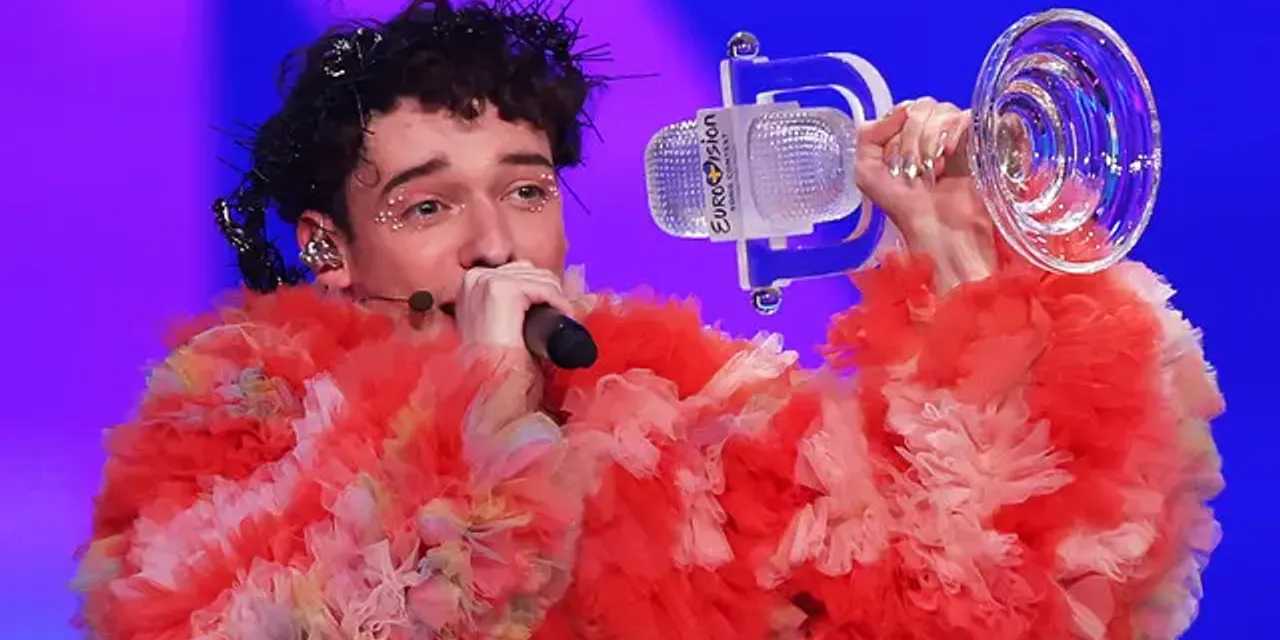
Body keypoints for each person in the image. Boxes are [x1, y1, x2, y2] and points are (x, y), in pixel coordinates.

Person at [74, 1, 1224, 638]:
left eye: (525, 189)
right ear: (327, 245)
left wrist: (961, 256)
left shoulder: (672, 403)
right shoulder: (235, 421)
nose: (494, 242)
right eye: (427, 205)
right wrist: (477, 425)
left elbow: (968, 601)